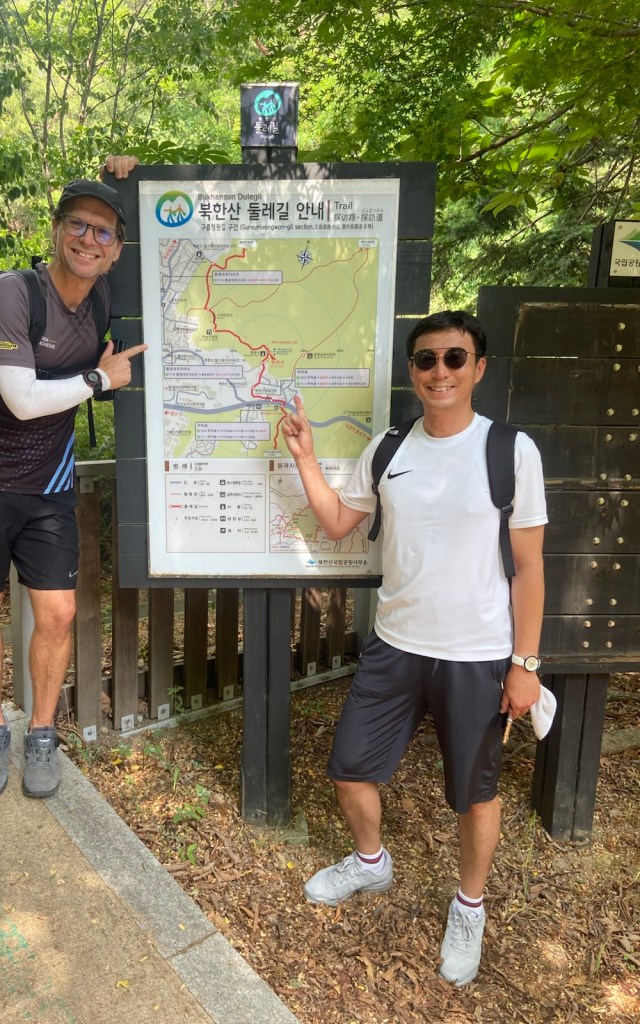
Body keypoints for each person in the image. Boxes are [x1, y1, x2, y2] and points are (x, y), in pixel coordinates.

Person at [281, 310, 547, 987]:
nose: (440, 371)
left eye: (455, 358)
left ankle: (469, 906)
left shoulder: (510, 451)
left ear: (478, 368)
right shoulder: (388, 449)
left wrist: (525, 664)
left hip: (478, 654)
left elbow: (529, 566)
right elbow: (339, 523)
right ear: (412, 370)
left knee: (475, 794)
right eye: (427, 359)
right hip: (395, 645)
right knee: (349, 768)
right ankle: (371, 862)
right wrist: (306, 458)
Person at [0, 155, 145, 801]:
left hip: (47, 483)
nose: (88, 239)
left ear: (116, 251)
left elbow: (169, 236)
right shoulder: (12, 293)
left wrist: (129, 177)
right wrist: (100, 379)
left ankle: (42, 731)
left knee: (58, 611)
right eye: (77, 224)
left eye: (103, 232)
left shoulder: (103, 294)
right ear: (55, 230)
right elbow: (22, 400)